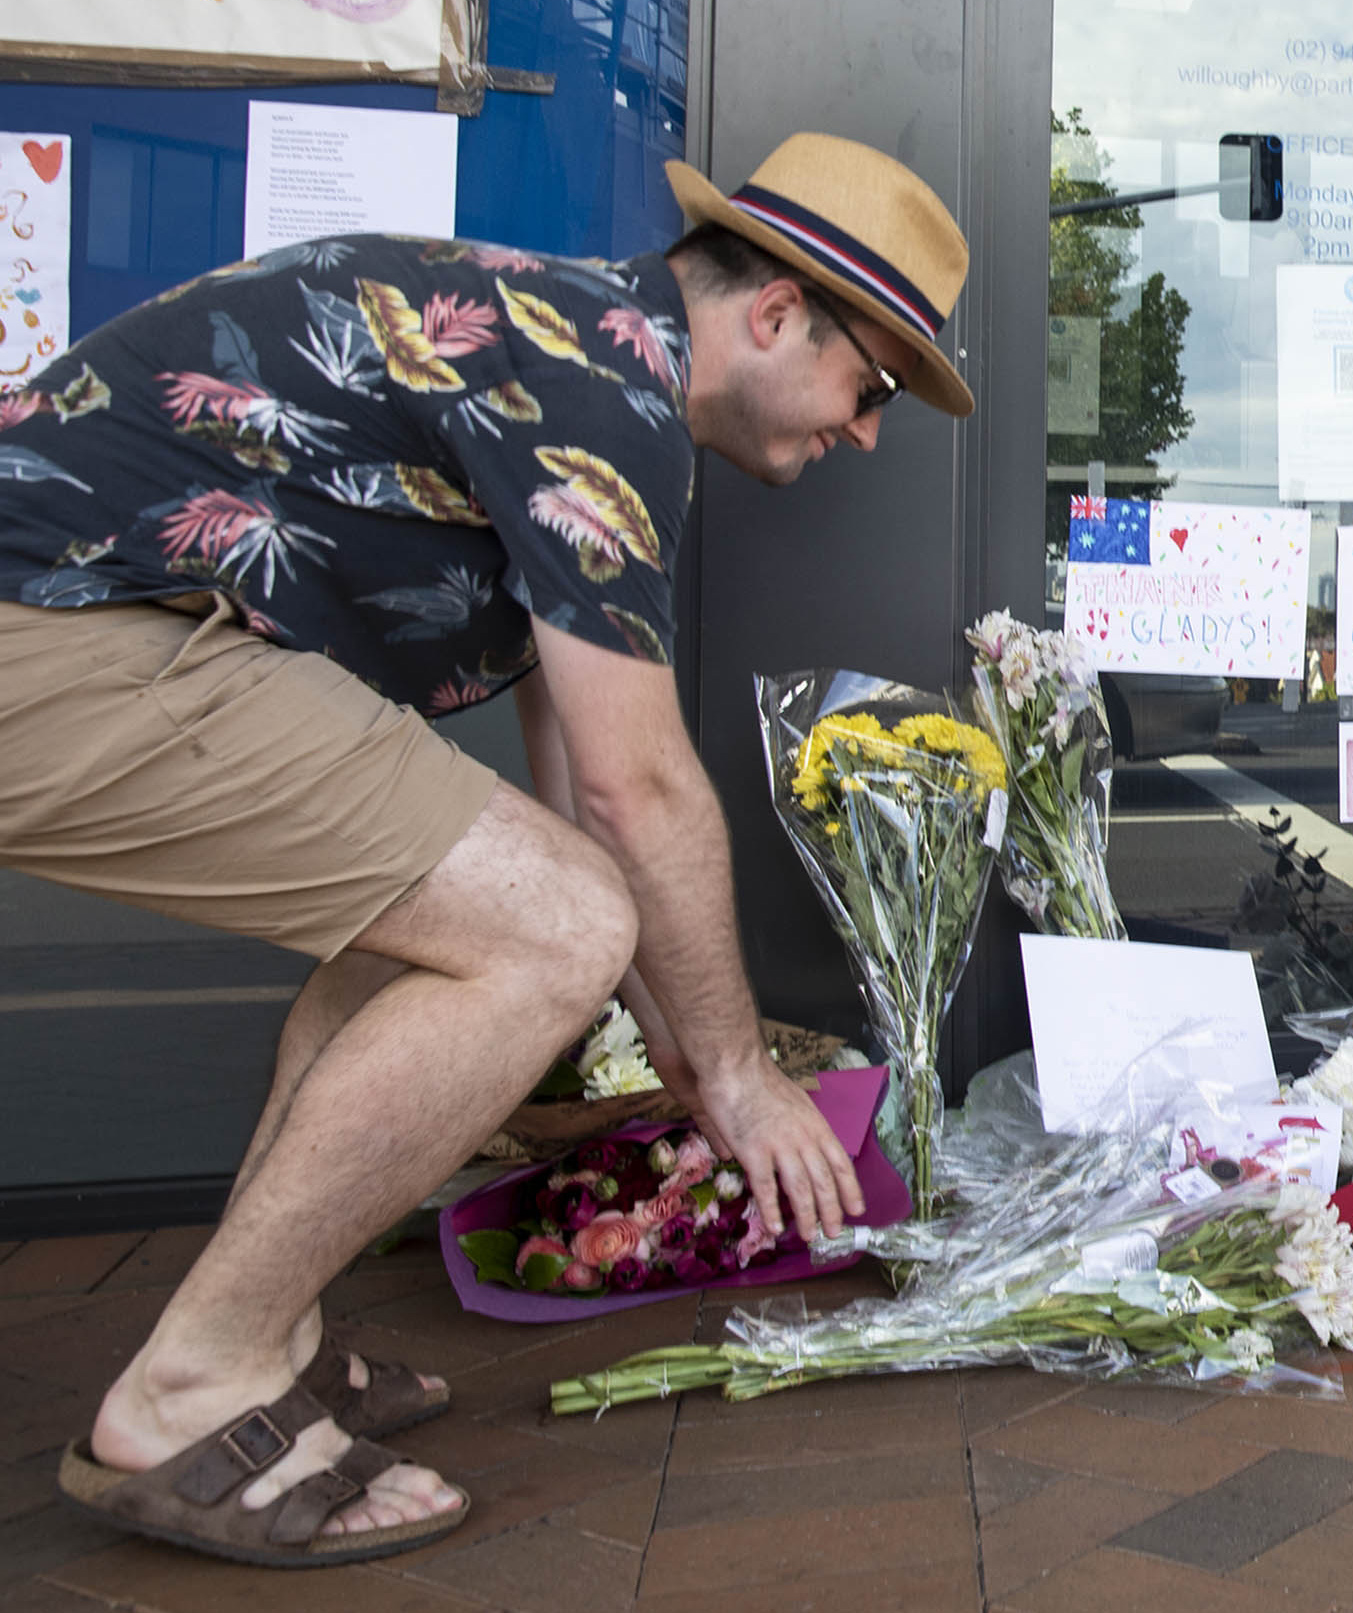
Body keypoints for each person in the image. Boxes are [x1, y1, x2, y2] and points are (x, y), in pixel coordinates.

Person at [0, 134, 972, 1567]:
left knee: (470, 925)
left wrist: (681, 1052)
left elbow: (580, 795)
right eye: (874, 386)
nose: (868, 433)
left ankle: (271, 1328)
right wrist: (735, 1078)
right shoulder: (598, 393)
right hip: (58, 627)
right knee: (549, 925)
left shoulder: (571, 352)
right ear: (776, 315)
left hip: (106, 623)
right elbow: (641, 794)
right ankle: (195, 1387)